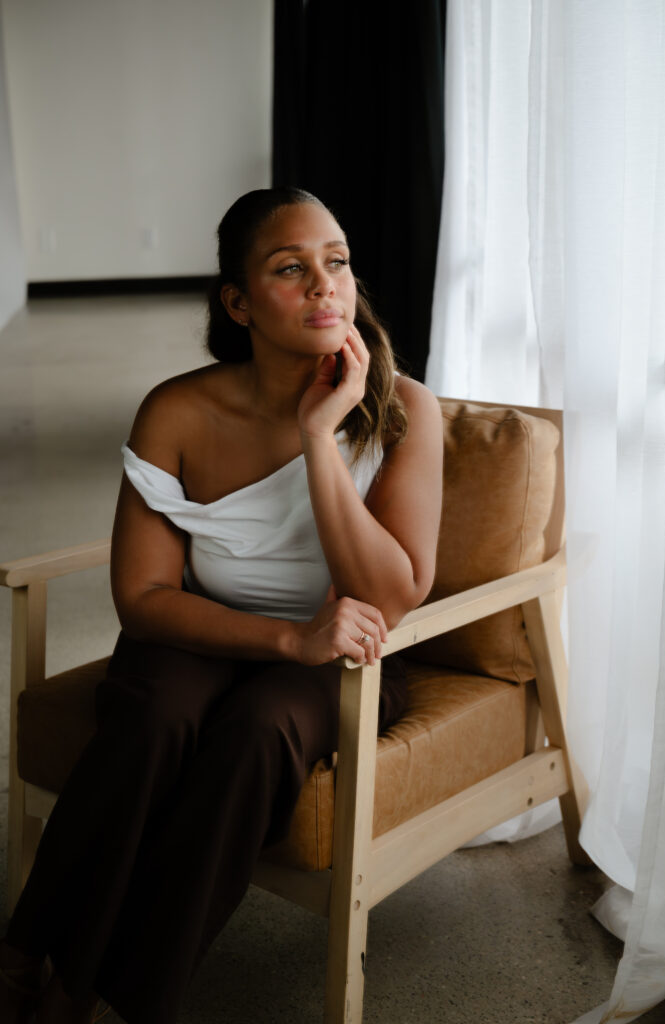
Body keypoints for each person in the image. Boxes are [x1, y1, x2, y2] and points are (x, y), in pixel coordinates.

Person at [0, 187, 443, 1024]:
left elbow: (390, 592)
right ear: (237, 302)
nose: (325, 285)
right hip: (212, 632)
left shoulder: (403, 409)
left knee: (256, 730)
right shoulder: (178, 409)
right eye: (290, 268)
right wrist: (287, 637)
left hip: (348, 656)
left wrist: (322, 437)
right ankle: (26, 950)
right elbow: (142, 598)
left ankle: (110, 997)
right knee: (154, 715)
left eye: (336, 262)